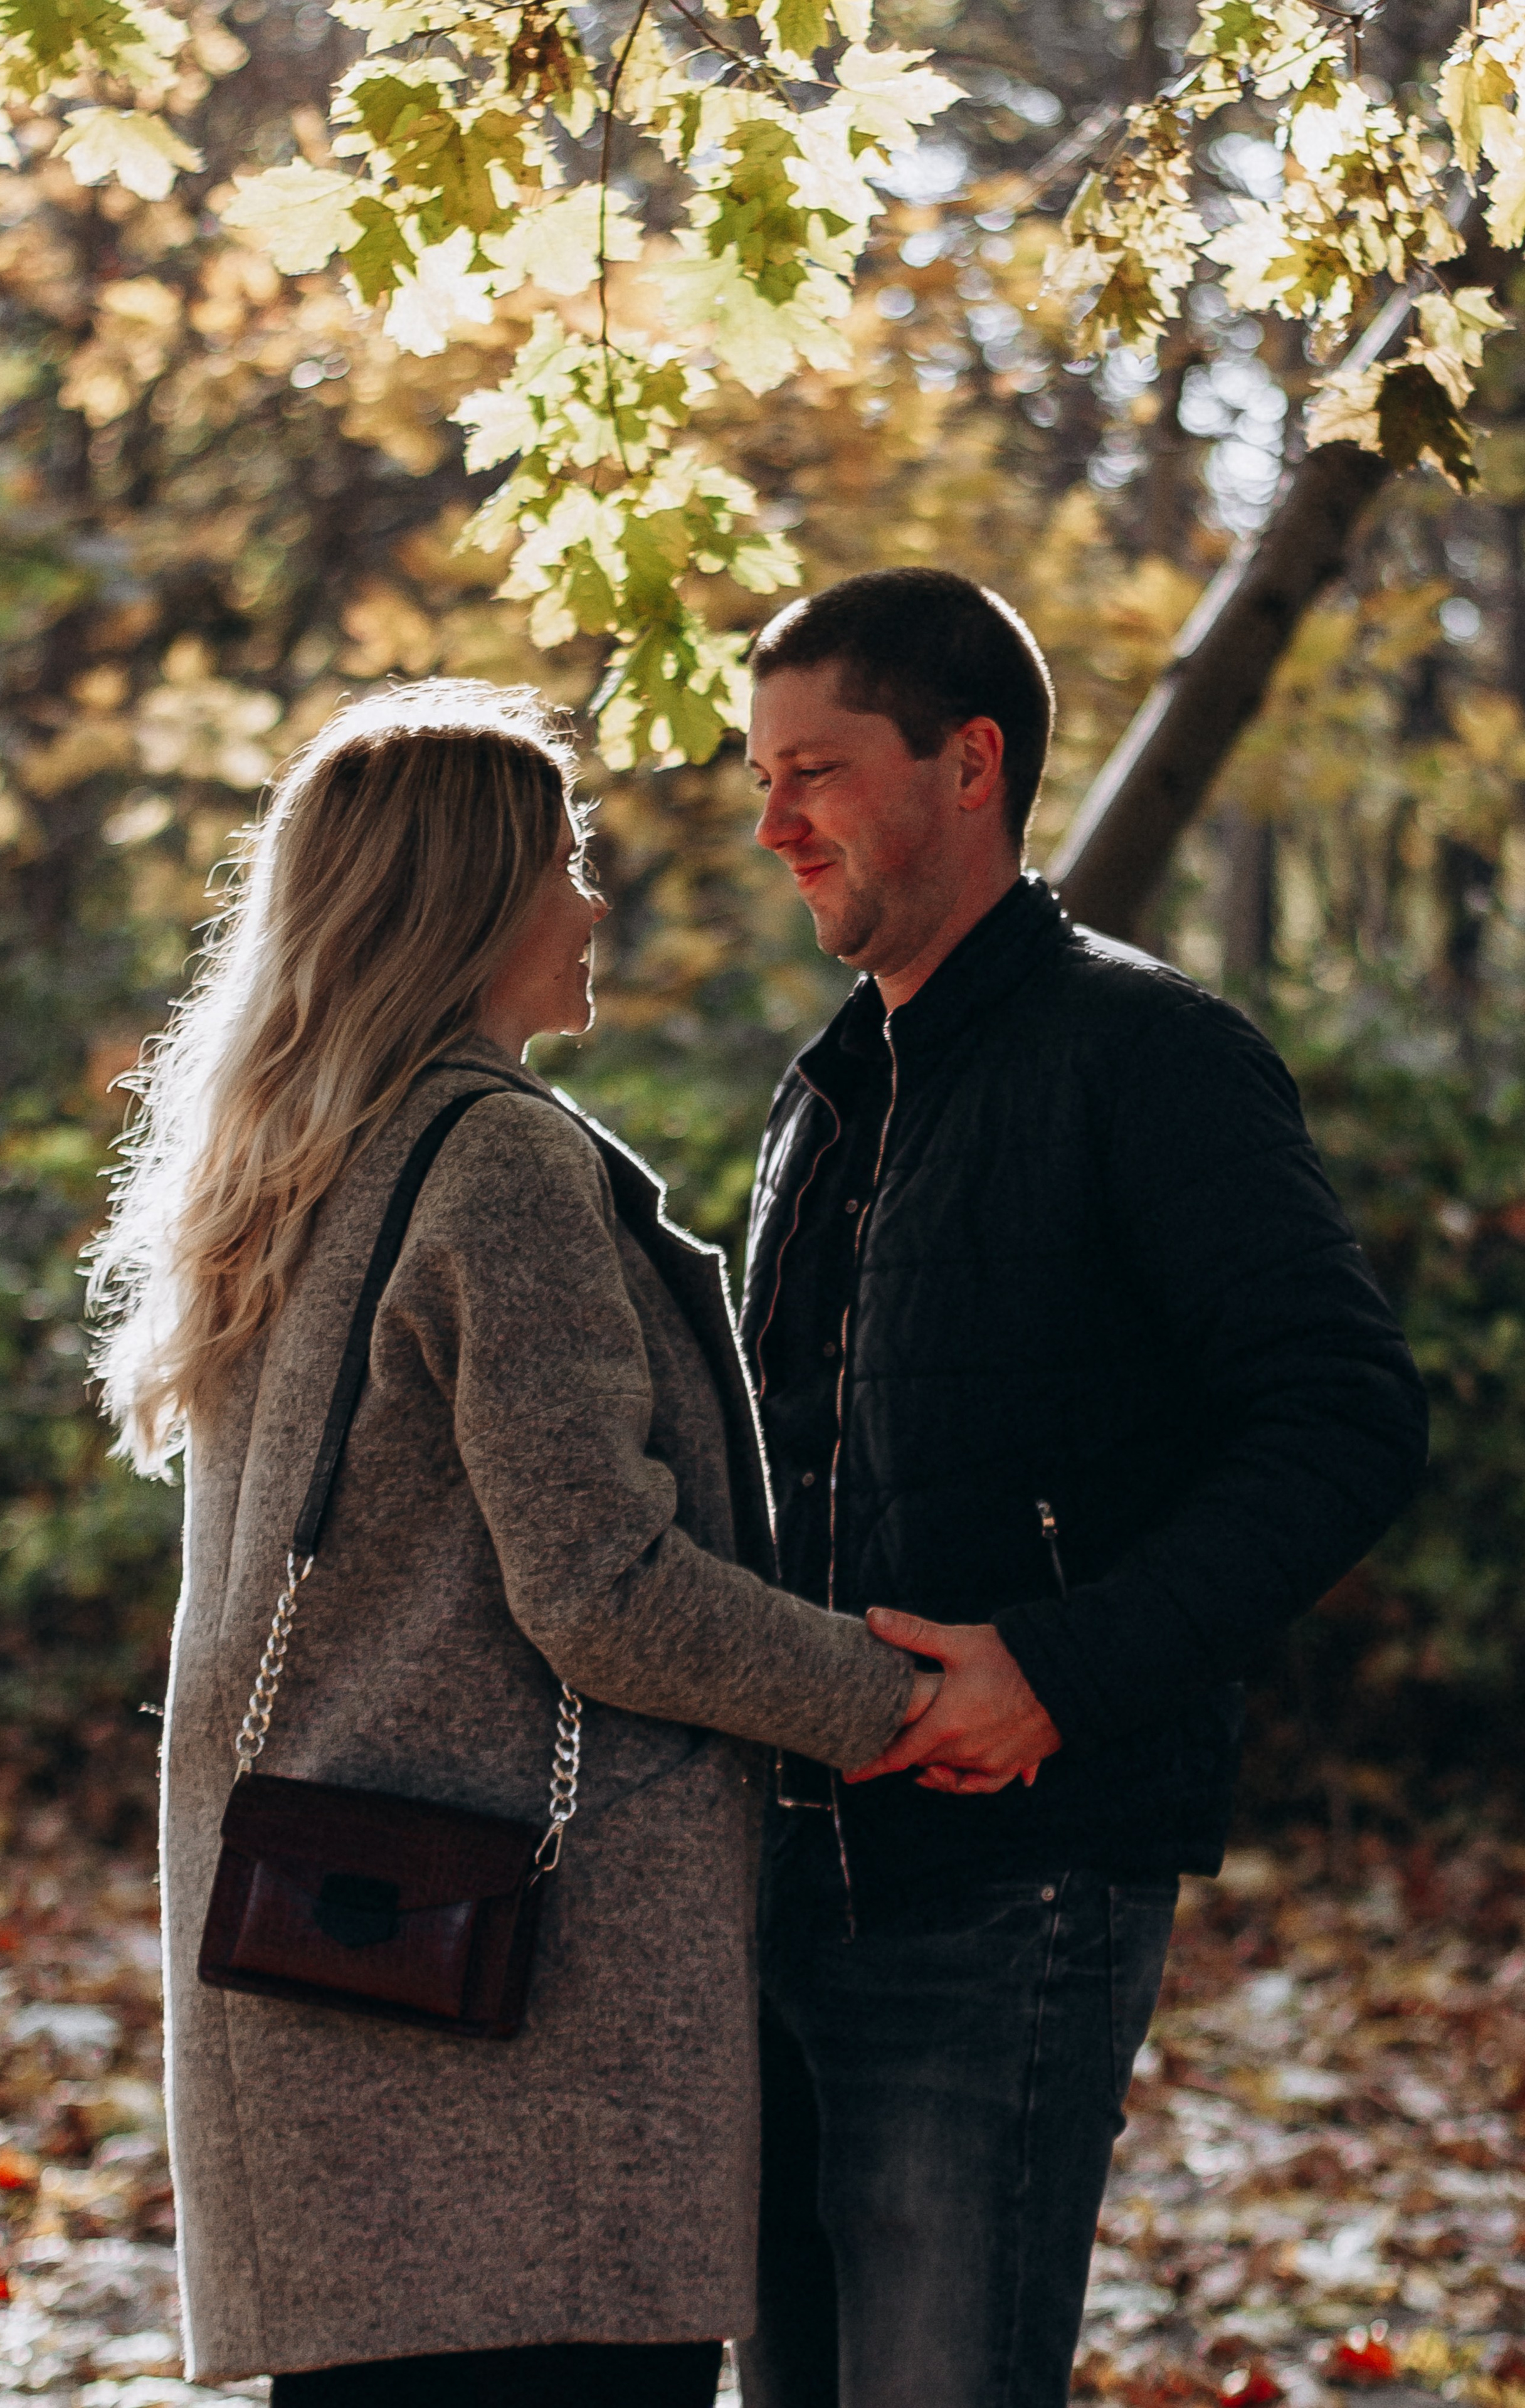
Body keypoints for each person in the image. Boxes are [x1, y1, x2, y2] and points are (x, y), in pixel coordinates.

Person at [88, 680, 946, 2407]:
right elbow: (604, 1593)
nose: (595, 901)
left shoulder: (289, 1167)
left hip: (335, 1994)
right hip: (518, 2046)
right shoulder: (496, 1166)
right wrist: (895, 1703)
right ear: (469, 899)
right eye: (564, 857)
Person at [736, 568, 1429, 2408]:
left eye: (814, 770)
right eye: (759, 776)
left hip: (1010, 1896)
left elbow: (1348, 1418)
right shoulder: (818, 1099)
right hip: (774, 1894)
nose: (772, 820)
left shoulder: (1152, 1057)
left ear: (971, 765)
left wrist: (1060, 1668)